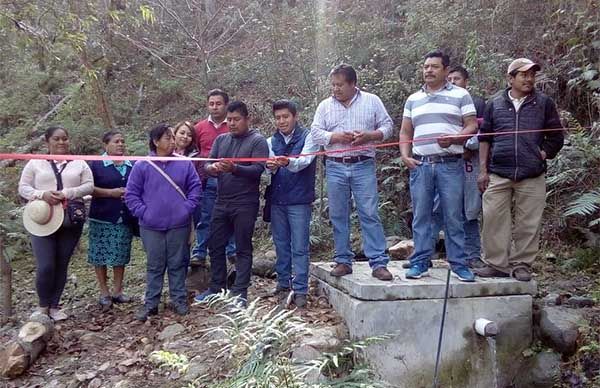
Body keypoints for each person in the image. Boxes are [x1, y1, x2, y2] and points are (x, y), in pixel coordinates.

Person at [476, 58, 564, 281]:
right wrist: (483, 170)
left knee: (529, 222)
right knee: (493, 218)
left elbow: (556, 137)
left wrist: (541, 154)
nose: (529, 79)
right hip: (498, 172)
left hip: (532, 173)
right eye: (524, 74)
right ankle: (496, 264)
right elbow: (485, 138)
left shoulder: (543, 103)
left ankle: (521, 264)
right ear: (510, 78)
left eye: (532, 74)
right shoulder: (494, 103)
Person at [399, 51, 478, 282]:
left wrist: (455, 139)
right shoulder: (413, 99)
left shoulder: (461, 95)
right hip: (421, 165)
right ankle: (420, 262)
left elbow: (471, 125)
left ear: (445, 70)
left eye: (434, 66)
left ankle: (459, 264)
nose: (428, 71)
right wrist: (405, 156)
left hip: (450, 164)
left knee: (454, 215)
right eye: (425, 67)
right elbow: (405, 131)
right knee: (421, 216)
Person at [311, 63, 394, 281]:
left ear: (353, 84)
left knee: (369, 212)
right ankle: (343, 260)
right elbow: (316, 133)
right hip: (335, 165)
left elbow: (387, 127)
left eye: (340, 85)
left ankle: (378, 262)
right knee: (338, 214)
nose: (335, 89)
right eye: (333, 85)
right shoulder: (325, 106)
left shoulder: (372, 101)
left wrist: (369, 136)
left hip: (363, 164)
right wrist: (335, 137)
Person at [194, 101, 269, 307]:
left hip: (245, 202)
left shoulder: (257, 141)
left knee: (242, 248)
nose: (233, 124)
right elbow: (206, 165)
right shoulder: (221, 140)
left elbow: (258, 170)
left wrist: (234, 168)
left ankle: (240, 292)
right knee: (214, 245)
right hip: (221, 200)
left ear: (247, 119)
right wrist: (215, 168)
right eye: (229, 120)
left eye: (237, 119)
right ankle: (216, 287)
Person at [125, 123, 201, 321]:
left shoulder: (184, 163)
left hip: (179, 224)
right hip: (151, 226)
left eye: (172, 137)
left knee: (178, 263)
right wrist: (144, 213)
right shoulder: (142, 165)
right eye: (167, 138)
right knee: (155, 265)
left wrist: (185, 210)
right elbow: (131, 194)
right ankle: (151, 303)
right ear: (156, 141)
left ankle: (179, 300)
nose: (172, 142)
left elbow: (195, 188)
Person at [18, 126, 94, 321]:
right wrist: (42, 194)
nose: (61, 142)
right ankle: (42, 306)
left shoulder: (79, 163)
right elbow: (23, 188)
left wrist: (67, 193)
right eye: (57, 139)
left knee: (61, 263)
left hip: (70, 219)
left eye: (65, 139)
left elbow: (88, 186)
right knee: (46, 265)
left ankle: (54, 306)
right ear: (47, 142)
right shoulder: (36, 163)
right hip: (42, 219)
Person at [428, 66, 487, 268]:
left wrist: (464, 144)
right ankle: (426, 253)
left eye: (458, 78)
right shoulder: (441, 105)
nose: (453, 82)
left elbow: (482, 135)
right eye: (450, 78)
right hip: (443, 165)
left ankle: (472, 255)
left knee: (469, 212)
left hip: (470, 169)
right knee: (436, 209)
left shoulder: (476, 104)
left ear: (466, 81)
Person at [265, 100, 318, 308]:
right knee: (281, 244)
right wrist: (269, 166)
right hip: (277, 200)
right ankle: (283, 284)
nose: (281, 121)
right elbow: (268, 169)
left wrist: (287, 162)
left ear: (295, 116)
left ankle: (301, 289)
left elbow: (305, 161)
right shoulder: (271, 141)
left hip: (300, 200)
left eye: (285, 117)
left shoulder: (309, 137)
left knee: (300, 247)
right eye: (278, 117)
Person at [88, 131, 136, 311]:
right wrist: (111, 193)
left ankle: (117, 290)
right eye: (116, 141)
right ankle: (103, 292)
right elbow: (88, 187)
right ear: (105, 145)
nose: (121, 144)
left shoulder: (132, 164)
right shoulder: (96, 165)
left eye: (123, 141)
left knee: (120, 254)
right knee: (99, 255)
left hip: (124, 216)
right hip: (101, 216)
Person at [191, 89, 236, 268]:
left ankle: (231, 251)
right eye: (211, 104)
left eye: (218, 104)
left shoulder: (233, 125)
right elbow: (195, 151)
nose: (215, 107)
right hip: (208, 178)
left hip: (232, 178)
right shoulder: (199, 128)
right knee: (206, 216)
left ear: (226, 105)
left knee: (231, 216)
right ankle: (200, 251)